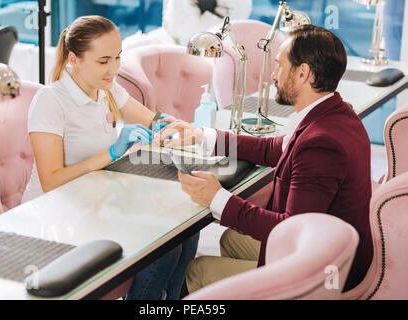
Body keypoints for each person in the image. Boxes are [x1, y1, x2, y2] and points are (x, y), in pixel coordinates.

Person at [156, 24, 373, 293]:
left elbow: (290, 228)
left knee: (198, 271)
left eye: (279, 66)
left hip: (325, 274)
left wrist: (216, 198)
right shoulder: (335, 113)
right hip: (333, 250)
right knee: (232, 239)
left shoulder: (321, 145)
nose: (272, 75)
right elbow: (273, 149)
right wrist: (201, 135)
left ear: (303, 73)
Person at [21, 15, 199, 300]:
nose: (114, 68)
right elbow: (51, 181)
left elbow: (154, 120)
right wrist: (113, 152)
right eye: (103, 61)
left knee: (186, 231)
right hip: (55, 215)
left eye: (117, 58)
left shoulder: (108, 89)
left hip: (95, 200)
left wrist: (181, 127)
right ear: (73, 60)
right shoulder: (49, 101)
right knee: (165, 249)